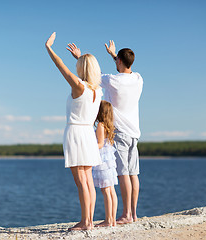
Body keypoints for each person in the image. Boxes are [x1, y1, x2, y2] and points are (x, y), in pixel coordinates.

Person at [67, 41, 143, 224]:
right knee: (133, 173)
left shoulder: (113, 81)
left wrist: (79, 57)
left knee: (123, 173)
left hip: (120, 131)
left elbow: (93, 75)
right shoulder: (138, 78)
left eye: (117, 59)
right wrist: (114, 55)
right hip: (135, 132)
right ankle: (133, 213)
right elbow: (124, 65)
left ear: (119, 62)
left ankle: (126, 215)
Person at [45, 32, 103, 231]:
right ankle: (89, 221)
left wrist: (49, 48)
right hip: (88, 134)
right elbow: (89, 73)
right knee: (88, 181)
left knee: (81, 182)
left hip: (76, 134)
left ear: (82, 69)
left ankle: (86, 222)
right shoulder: (97, 90)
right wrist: (80, 58)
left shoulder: (79, 87)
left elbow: (61, 67)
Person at [92, 100, 118, 227]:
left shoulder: (100, 126)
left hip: (103, 162)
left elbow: (100, 144)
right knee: (111, 190)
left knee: (106, 190)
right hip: (109, 162)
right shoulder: (109, 125)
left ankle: (108, 220)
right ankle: (112, 219)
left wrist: (89, 147)